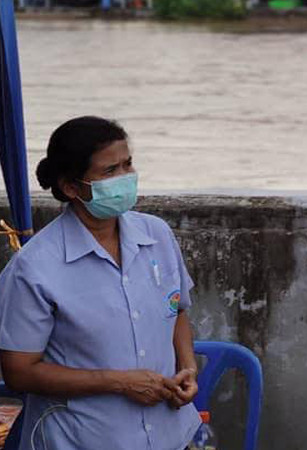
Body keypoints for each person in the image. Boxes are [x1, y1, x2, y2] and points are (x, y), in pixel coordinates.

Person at [0, 116, 201, 449]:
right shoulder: (35, 267)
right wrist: (119, 383)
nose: (125, 178)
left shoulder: (157, 235)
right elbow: (19, 371)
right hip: (83, 438)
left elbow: (176, 309)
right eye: (110, 171)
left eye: (128, 165)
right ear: (71, 187)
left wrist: (188, 367)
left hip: (169, 435)